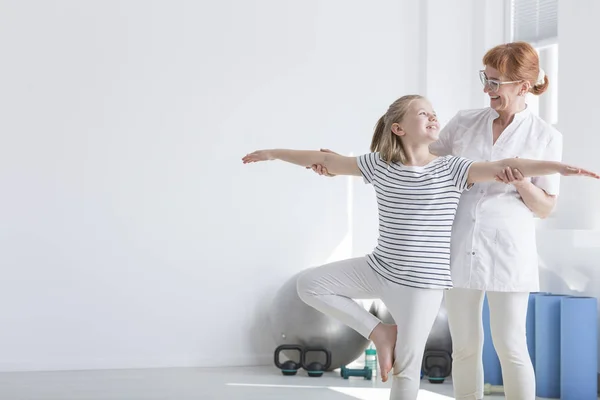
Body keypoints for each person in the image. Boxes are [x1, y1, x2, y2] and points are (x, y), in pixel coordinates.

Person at [242, 94, 597, 400]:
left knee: (406, 369)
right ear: (399, 128)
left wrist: (560, 168)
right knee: (309, 284)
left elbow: (509, 165)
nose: (433, 116)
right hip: (379, 267)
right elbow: (328, 161)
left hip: (421, 284)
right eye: (423, 113)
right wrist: (273, 152)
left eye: (433, 112)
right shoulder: (379, 164)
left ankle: (388, 339)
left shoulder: (453, 168)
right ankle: (380, 331)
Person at [307, 42, 568, 400]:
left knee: (510, 346)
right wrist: (342, 165)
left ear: (522, 86)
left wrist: (519, 178)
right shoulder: (465, 122)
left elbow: (545, 208)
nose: (487, 89)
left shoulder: (545, 136)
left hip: (508, 248)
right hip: (456, 245)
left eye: (496, 83)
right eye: (486, 80)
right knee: (464, 347)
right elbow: (413, 154)